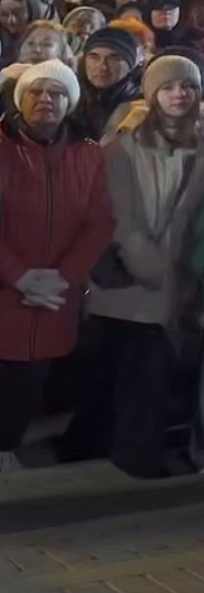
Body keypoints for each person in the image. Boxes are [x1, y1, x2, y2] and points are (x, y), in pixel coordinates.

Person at [0, 60, 112, 478]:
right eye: (36, 91)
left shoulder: (89, 154)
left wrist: (65, 277)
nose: (46, 99)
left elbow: (99, 221)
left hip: (55, 291)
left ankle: (5, 444)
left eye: (57, 93)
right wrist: (19, 275)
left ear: (70, 102)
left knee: (31, 378)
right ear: (19, 100)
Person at [72, 56, 204, 478]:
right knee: (112, 366)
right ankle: (94, 449)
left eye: (187, 86)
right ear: (151, 94)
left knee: (149, 371)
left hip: (173, 279)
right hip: (128, 275)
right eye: (168, 87)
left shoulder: (199, 144)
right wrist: (149, 264)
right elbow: (118, 213)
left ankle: (134, 457)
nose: (178, 94)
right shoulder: (125, 144)